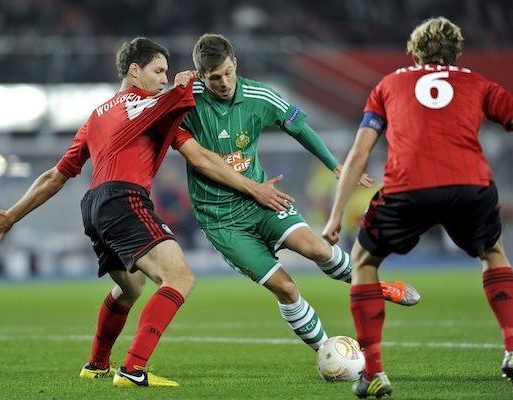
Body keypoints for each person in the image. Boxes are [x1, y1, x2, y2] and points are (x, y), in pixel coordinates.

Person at [0, 37, 295, 388]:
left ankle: (97, 364)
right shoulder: (152, 105)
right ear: (134, 70)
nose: (164, 77)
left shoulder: (98, 115)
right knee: (179, 278)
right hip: (125, 198)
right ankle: (133, 369)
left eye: (166, 73)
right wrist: (183, 86)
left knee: (130, 288)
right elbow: (199, 153)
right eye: (158, 70)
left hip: (95, 205)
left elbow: (54, 176)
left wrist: (12, 215)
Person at [175, 33, 420, 354]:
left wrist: (335, 166)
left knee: (318, 249)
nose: (224, 82)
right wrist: (174, 87)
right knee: (287, 288)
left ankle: (380, 287)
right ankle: (327, 352)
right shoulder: (186, 99)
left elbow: (299, 127)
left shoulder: (261, 96)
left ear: (235, 63)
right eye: (214, 78)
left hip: (262, 202)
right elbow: (160, 118)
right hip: (221, 221)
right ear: (201, 75)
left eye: (228, 73)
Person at [322, 16, 513, 398]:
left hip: (409, 186)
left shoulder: (388, 85)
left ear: (412, 52)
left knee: (363, 261)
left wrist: (335, 216)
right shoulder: (478, 83)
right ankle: (512, 347)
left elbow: (361, 151)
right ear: (457, 52)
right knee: (493, 253)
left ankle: (374, 372)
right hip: (469, 184)